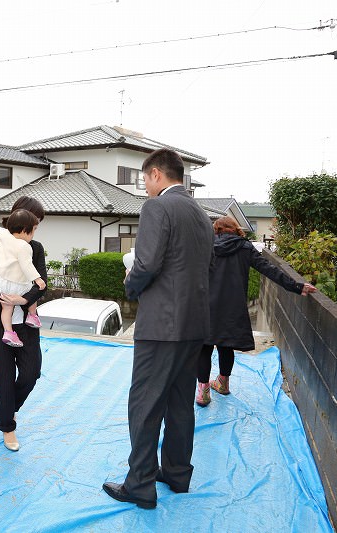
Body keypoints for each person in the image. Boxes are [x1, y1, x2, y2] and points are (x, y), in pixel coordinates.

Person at [103, 148, 214, 509]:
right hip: (194, 322)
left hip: (162, 324)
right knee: (180, 402)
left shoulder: (156, 207)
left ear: (155, 175)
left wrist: (129, 284)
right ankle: (177, 474)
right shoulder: (201, 212)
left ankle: (140, 485)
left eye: (145, 179)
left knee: (146, 404)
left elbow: (147, 262)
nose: (145, 187)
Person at [195, 216, 316, 406]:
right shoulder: (245, 247)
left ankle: (203, 393)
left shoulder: (204, 246)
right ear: (236, 229)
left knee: (204, 347)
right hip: (233, 307)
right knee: (226, 345)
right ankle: (223, 384)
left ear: (216, 230)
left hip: (206, 306)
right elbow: (268, 269)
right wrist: (297, 286)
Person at [0, 196, 48, 452]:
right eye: (32, 219)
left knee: (31, 373)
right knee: (3, 378)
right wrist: (6, 296)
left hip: (26, 326)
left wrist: (23, 299)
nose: (33, 226)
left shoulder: (35, 247)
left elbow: (42, 282)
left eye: (37, 222)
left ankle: (10, 407)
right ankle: (8, 426)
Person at [0, 209, 46, 348]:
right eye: (34, 230)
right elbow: (27, 265)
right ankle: (32, 315)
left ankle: (8, 332)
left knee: (7, 308)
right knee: (31, 288)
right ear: (25, 230)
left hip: (1, 283)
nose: (33, 234)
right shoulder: (23, 246)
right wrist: (37, 279)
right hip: (17, 283)